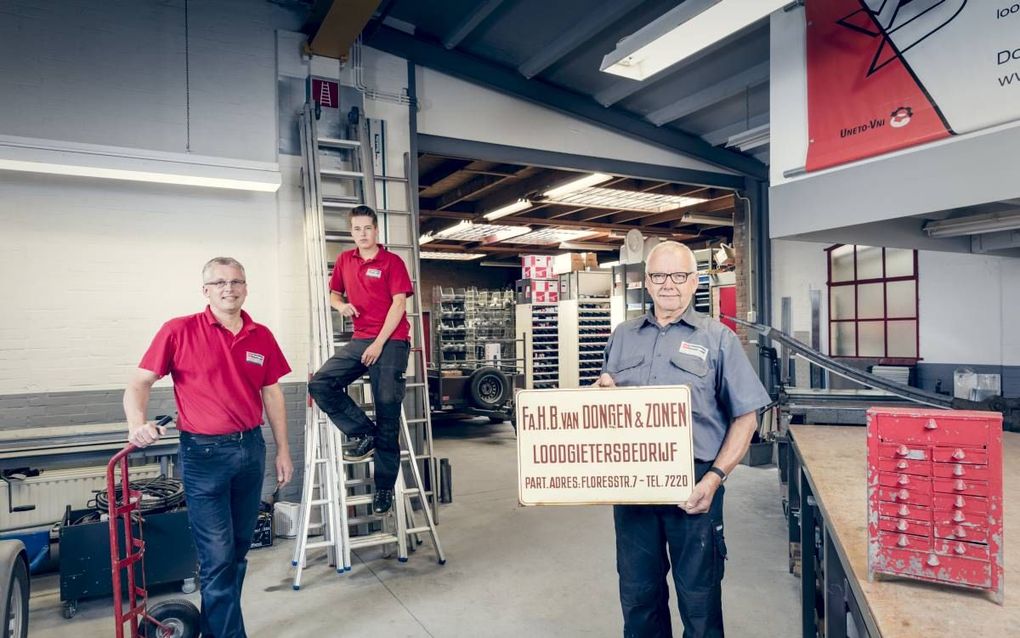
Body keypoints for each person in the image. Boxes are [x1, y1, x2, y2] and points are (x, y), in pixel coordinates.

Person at [595, 241, 770, 638]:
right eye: (659, 275)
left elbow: (746, 417)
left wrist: (715, 479)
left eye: (678, 276)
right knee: (639, 599)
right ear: (647, 282)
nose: (668, 285)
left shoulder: (718, 339)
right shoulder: (622, 336)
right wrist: (599, 393)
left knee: (700, 601)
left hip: (695, 486)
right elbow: (604, 405)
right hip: (633, 488)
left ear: (694, 282)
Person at [124, 257, 293, 638]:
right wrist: (137, 424)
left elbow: (272, 392)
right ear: (205, 290)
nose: (228, 288)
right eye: (219, 283)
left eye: (236, 282)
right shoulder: (179, 330)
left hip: (251, 451)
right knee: (217, 558)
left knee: (236, 553)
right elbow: (138, 383)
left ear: (246, 287)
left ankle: (221, 628)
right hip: (204, 458)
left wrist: (283, 449)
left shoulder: (261, 335)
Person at [307, 205, 414, 514]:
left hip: (391, 340)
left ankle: (383, 489)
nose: (363, 234)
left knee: (387, 409)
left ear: (376, 230)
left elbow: (398, 308)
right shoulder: (345, 260)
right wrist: (340, 306)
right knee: (322, 384)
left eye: (368, 228)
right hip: (361, 340)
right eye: (357, 229)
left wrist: (379, 345)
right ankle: (362, 431)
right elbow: (333, 294)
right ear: (351, 231)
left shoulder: (392, 262)